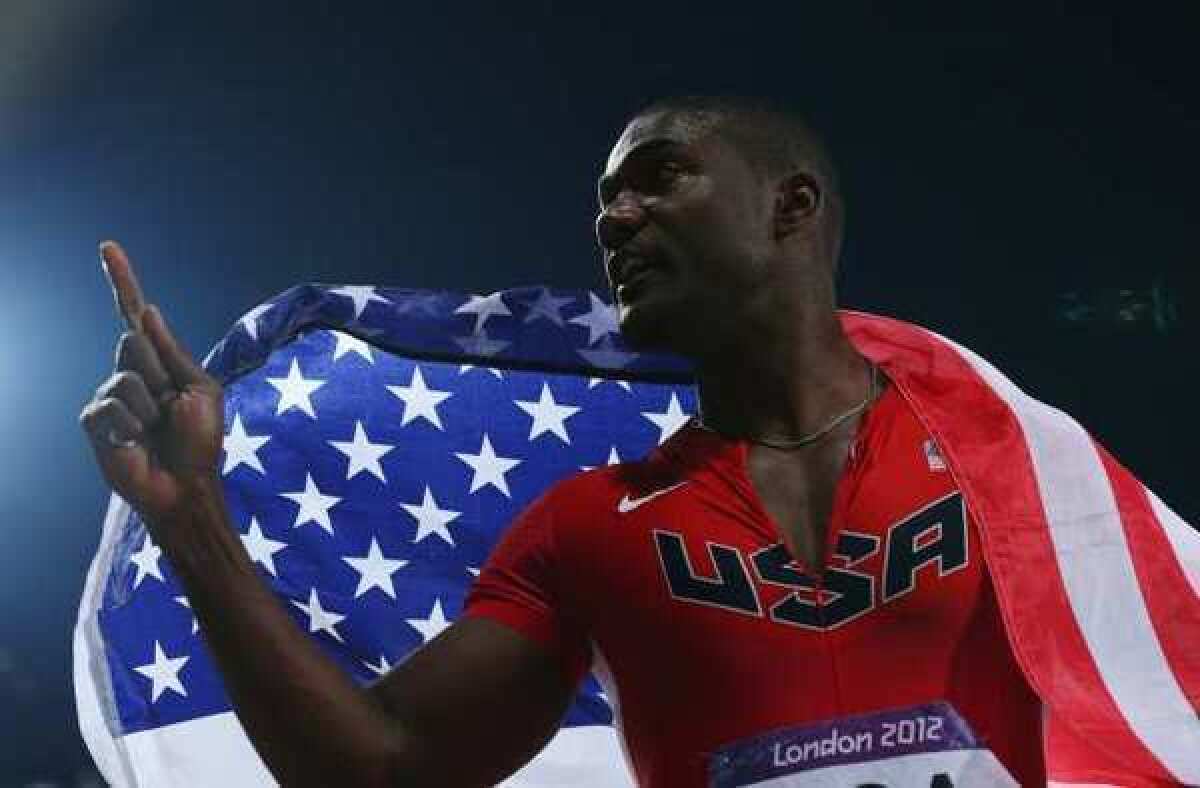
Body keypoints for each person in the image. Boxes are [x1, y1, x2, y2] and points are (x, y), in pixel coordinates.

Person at [79, 97, 1188, 787]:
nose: (616, 219)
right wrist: (193, 523)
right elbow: (385, 766)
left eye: (659, 177)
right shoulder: (587, 525)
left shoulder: (1014, 464)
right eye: (605, 200)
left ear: (790, 206)